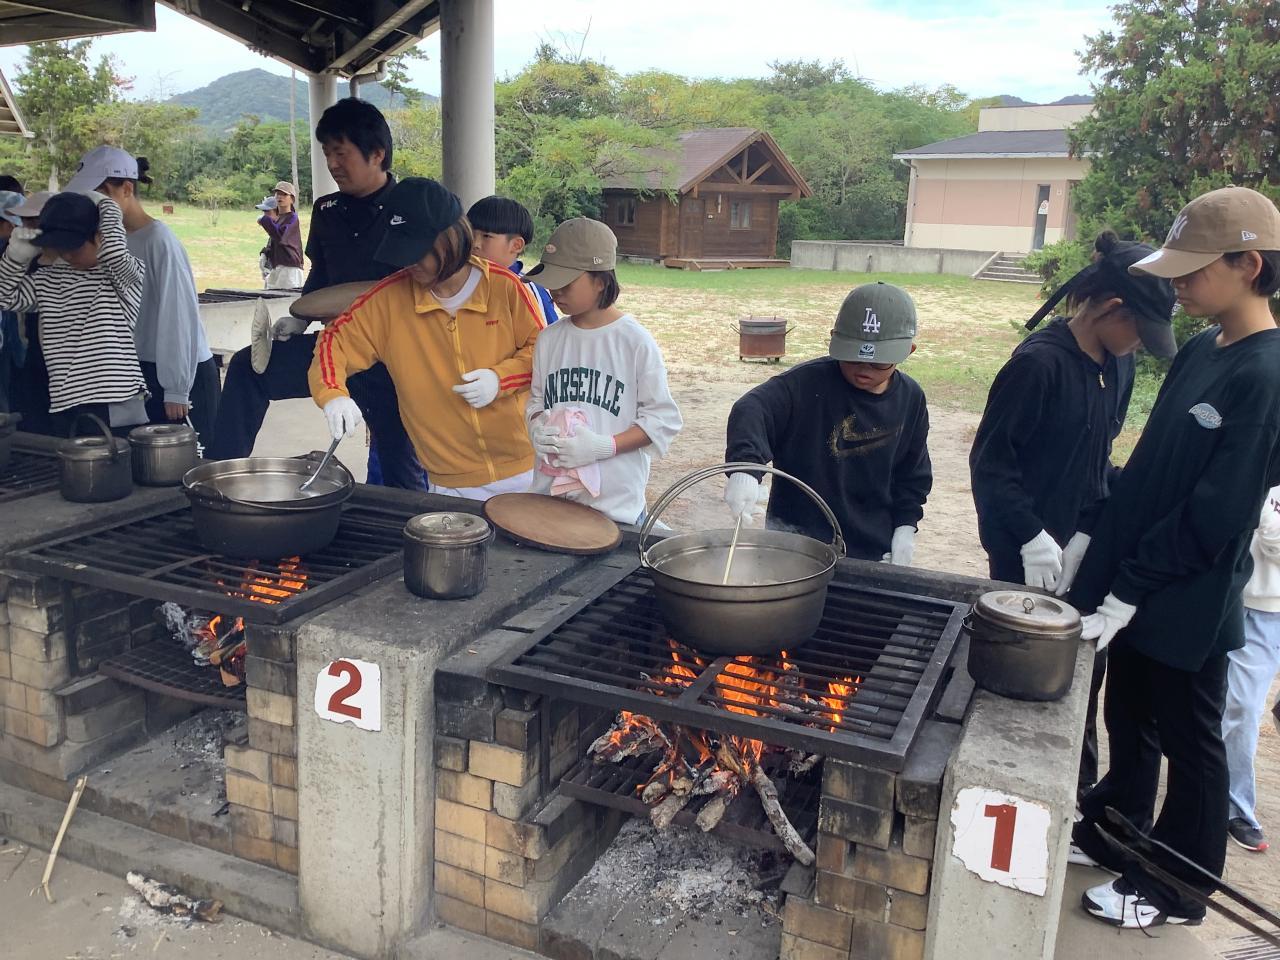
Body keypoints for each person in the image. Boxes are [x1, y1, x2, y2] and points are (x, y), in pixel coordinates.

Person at [1068, 187, 1280, 929]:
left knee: (1191, 742)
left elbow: (1217, 513)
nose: (1178, 285)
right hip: (1139, 581)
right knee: (1130, 714)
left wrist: (1131, 587)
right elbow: (1152, 470)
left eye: (1193, 271)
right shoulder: (1199, 348)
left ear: (1249, 266)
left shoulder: (1266, 374)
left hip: (1190, 594)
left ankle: (1176, 889)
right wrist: (1098, 553)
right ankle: (1113, 832)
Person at [969, 231, 1177, 800]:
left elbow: (1098, 457)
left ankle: (1074, 788)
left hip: (1085, 545)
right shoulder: (1038, 366)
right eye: (1139, 332)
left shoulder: (1117, 367)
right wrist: (1030, 535)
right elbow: (991, 464)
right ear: (1111, 308)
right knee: (1024, 666)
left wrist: (1087, 528)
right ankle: (1009, 780)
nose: (1138, 347)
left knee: (1083, 669)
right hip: (1026, 552)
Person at [208, 98, 425, 490]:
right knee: (246, 369)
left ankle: (405, 521)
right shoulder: (327, 210)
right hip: (334, 350)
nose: (332, 164)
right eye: (327, 154)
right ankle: (216, 480)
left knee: (400, 465)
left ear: (377, 154)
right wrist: (301, 317)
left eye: (341, 154)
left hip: (395, 359)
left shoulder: (411, 208)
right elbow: (321, 272)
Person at [309, 177, 544, 499]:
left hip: (528, 467)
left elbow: (543, 351)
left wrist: (499, 379)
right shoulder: (387, 301)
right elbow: (334, 342)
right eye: (401, 251)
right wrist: (333, 395)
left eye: (418, 252)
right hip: (450, 480)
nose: (410, 263)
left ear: (452, 238)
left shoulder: (505, 288)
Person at [723, 282, 932, 562]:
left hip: (873, 549)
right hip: (796, 546)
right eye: (852, 357)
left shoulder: (911, 398)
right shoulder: (805, 385)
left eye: (878, 362)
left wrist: (906, 527)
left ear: (908, 351)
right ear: (834, 339)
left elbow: (912, 474)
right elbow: (752, 409)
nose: (864, 369)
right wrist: (745, 468)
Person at [523, 218, 682, 524]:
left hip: (614, 509)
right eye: (551, 281)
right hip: (550, 501)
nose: (555, 291)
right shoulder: (549, 338)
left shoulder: (634, 341)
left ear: (600, 281)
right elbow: (537, 401)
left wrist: (603, 447)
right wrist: (536, 428)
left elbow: (662, 420)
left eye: (566, 283)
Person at [66, 147, 221, 448]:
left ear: (127, 189)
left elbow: (178, 315)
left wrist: (176, 389)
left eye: (99, 196)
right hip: (135, 368)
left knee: (181, 463)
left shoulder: (158, 240)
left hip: (175, 372)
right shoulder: (108, 241)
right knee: (140, 460)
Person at [0, 191, 147, 435]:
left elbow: (114, 252)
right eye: (61, 248)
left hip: (116, 397)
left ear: (99, 237)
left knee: (117, 458)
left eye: (75, 247)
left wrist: (105, 205)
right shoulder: (46, 279)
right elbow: (4, 298)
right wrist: (15, 259)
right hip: (65, 400)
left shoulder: (122, 276)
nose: (68, 255)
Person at [1221, 484, 1280, 853]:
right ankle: (1227, 801)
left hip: (1269, 610)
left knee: (1244, 706)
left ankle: (1233, 803)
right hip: (1230, 595)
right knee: (1232, 704)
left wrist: (1262, 513)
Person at [467, 195, 558, 325]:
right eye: (470, 233)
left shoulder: (527, 290)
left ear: (516, 245)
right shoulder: (459, 283)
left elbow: (545, 335)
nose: (475, 243)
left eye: (486, 236)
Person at [258, 180, 304, 290]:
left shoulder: (292, 218)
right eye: (277, 193)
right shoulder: (279, 219)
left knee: (285, 297)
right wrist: (266, 254)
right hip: (278, 267)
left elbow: (281, 236)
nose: (280, 197)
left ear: (292, 199)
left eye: (284, 194)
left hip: (290, 268)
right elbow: (275, 242)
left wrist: (265, 220)